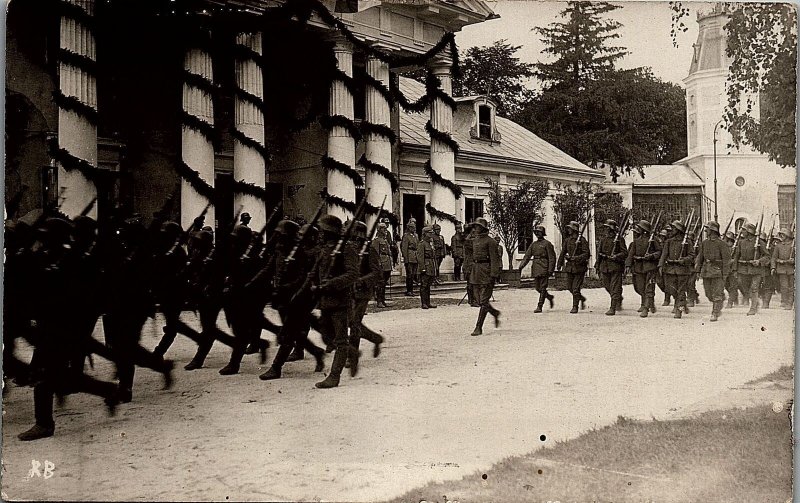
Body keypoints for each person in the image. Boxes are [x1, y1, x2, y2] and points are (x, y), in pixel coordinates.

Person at [311, 215, 359, 389]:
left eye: (322, 231)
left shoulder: (347, 248)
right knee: (326, 335)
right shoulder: (324, 249)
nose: (320, 234)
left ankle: (334, 376)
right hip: (325, 301)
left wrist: (331, 284)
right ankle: (352, 353)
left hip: (340, 301)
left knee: (340, 340)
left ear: (329, 231)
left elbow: (353, 274)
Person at [348, 221, 385, 366]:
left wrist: (362, 281)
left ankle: (352, 356)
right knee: (350, 322)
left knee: (355, 322)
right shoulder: (348, 248)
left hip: (363, 292)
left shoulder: (369, 250)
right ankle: (375, 339)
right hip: (349, 291)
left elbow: (377, 272)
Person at [469, 218, 501, 336]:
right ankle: (495, 313)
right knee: (478, 299)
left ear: (483, 228)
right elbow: (465, 243)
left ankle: (478, 327)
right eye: (475, 226)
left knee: (483, 301)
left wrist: (494, 275)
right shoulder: (474, 240)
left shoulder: (490, 241)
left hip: (486, 271)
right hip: (476, 270)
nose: (475, 228)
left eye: (477, 226)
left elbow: (494, 259)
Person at [694, 221, 731, 322]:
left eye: (708, 229)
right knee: (708, 294)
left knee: (716, 294)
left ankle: (715, 313)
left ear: (713, 230)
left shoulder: (722, 244)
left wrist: (725, 275)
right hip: (706, 272)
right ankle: (719, 302)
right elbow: (700, 258)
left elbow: (726, 261)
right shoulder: (704, 243)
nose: (706, 231)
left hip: (717, 272)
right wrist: (697, 271)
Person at [658, 220, 695, 319]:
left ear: (678, 230)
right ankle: (680, 303)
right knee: (671, 289)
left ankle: (679, 309)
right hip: (670, 269)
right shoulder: (669, 241)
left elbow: (692, 255)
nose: (672, 230)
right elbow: (664, 254)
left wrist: (683, 260)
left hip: (682, 270)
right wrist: (660, 265)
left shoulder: (687, 241)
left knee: (681, 290)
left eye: (674, 228)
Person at [625, 220, 661, 317]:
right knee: (640, 287)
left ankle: (646, 308)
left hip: (650, 267)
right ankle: (649, 303)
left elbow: (659, 252)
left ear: (644, 230)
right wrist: (628, 265)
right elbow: (631, 254)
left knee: (649, 287)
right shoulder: (636, 241)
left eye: (640, 228)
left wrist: (651, 256)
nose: (638, 229)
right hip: (639, 267)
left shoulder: (654, 240)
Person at [732, 222, 769, 315]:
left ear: (749, 231)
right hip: (743, 269)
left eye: (744, 230)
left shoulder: (760, 242)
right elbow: (737, 256)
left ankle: (753, 308)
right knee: (742, 285)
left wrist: (759, 261)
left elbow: (767, 256)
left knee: (754, 288)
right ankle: (754, 301)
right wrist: (735, 269)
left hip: (756, 269)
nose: (742, 232)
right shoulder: (741, 242)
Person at [519, 225, 556, 313]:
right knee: (537, 288)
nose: (537, 234)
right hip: (536, 267)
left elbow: (552, 257)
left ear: (543, 233)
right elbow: (527, 256)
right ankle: (549, 297)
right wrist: (521, 266)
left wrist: (551, 269)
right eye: (536, 232)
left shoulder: (547, 244)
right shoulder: (533, 245)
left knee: (543, 287)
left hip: (544, 266)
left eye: (539, 232)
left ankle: (540, 306)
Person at [557, 221, 590, 314]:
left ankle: (575, 306)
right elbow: (563, 252)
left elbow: (587, 254)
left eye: (570, 228)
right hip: (570, 267)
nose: (568, 230)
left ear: (574, 229)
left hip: (579, 267)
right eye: (568, 228)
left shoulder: (582, 240)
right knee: (569, 287)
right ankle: (581, 298)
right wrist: (559, 264)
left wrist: (576, 258)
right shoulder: (567, 240)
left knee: (575, 288)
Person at [595, 219, 627, 316]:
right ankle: (618, 297)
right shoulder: (603, 240)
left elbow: (625, 252)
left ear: (612, 229)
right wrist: (597, 265)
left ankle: (612, 308)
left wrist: (616, 256)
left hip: (615, 266)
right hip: (605, 266)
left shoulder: (619, 239)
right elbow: (599, 253)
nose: (606, 230)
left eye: (608, 228)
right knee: (607, 286)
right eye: (605, 228)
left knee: (614, 287)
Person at [771, 228, 795, 310]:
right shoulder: (778, 246)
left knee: (792, 287)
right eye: (781, 234)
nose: (781, 236)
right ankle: (784, 301)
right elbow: (774, 258)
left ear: (788, 236)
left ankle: (790, 303)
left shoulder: (794, 245)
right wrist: (773, 267)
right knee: (784, 286)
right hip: (781, 269)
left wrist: (794, 261)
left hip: (791, 269)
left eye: (783, 234)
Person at [372, 222, 394, 308]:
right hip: (381, 264)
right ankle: (379, 301)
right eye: (383, 228)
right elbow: (375, 254)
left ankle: (383, 300)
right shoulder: (376, 240)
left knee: (384, 283)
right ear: (379, 229)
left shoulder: (385, 240)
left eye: (385, 228)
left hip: (387, 264)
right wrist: (378, 264)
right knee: (380, 283)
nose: (385, 230)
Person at [416, 226, 438, 309]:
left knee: (428, 285)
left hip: (431, 266)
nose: (431, 234)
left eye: (431, 233)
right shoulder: (422, 244)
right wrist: (422, 268)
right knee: (424, 285)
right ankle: (424, 303)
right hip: (426, 266)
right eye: (429, 233)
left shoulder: (430, 243)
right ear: (425, 234)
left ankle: (428, 302)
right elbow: (420, 257)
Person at [400, 219, 419, 296]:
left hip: (415, 256)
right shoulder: (406, 236)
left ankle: (411, 290)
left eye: (414, 227)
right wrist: (406, 259)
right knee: (409, 274)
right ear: (409, 228)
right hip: (409, 256)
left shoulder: (416, 236)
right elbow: (404, 248)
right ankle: (409, 290)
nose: (414, 229)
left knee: (414, 274)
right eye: (412, 227)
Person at [723, 230, 739, 307]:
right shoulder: (723, 248)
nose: (727, 242)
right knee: (726, 285)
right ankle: (734, 297)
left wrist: (733, 261)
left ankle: (730, 302)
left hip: (733, 269)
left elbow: (737, 258)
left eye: (729, 240)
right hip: (725, 269)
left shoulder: (736, 248)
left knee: (733, 286)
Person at [656, 228, 671, 307]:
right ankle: (667, 293)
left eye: (663, 236)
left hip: (667, 265)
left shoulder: (668, 243)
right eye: (661, 236)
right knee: (659, 282)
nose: (662, 238)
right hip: (659, 265)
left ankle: (667, 299)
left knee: (667, 282)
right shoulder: (658, 243)